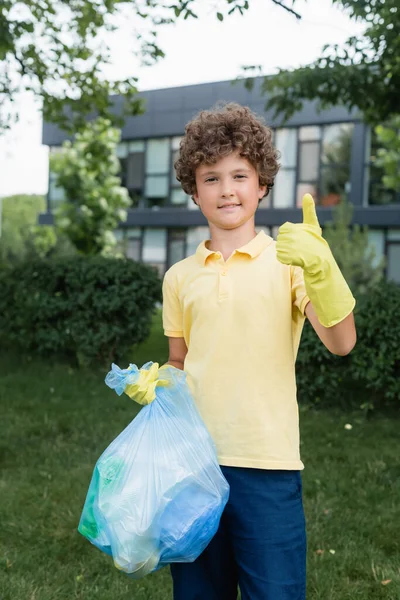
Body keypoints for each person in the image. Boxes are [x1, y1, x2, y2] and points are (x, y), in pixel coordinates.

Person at [138, 103, 356, 599]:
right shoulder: (179, 276)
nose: (227, 189)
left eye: (240, 174)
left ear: (262, 184)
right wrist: (159, 383)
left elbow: (342, 343)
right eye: (211, 178)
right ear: (194, 191)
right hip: (194, 464)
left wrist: (323, 271)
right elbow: (180, 359)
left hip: (268, 467)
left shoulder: (291, 263)